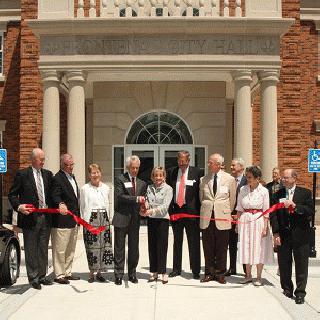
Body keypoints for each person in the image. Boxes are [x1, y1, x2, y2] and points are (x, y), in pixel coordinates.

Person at [8, 148, 53, 289]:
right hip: (29, 218)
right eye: (41, 159)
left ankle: (42, 275)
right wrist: (19, 206)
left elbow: (52, 194)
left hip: (45, 217)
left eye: (44, 159)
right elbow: (12, 195)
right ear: (33, 159)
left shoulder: (47, 174)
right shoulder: (22, 175)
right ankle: (33, 278)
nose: (43, 161)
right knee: (31, 248)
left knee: (43, 247)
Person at [270, 169, 313, 304]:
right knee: (284, 264)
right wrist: (275, 233)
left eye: (286, 177)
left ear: (294, 178)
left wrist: (295, 206)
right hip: (283, 235)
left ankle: (300, 292)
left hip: (300, 235)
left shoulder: (305, 193)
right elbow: (274, 215)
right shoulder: (278, 194)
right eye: (283, 178)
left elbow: (310, 211)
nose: (283, 180)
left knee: (301, 265)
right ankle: (287, 289)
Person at [199, 153, 236, 284]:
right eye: (209, 162)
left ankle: (220, 273)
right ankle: (209, 273)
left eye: (211, 162)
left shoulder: (229, 179)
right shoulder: (203, 179)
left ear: (219, 164)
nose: (208, 164)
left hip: (223, 216)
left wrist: (226, 211)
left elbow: (232, 200)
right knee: (208, 246)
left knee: (221, 246)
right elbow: (201, 197)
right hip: (207, 216)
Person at [236, 166, 274, 286]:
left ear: (258, 178)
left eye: (250, 177)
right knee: (246, 246)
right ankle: (248, 275)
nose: (248, 179)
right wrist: (237, 223)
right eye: (247, 177)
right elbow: (239, 208)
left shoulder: (264, 191)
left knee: (259, 247)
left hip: (259, 221)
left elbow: (266, 210)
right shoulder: (243, 189)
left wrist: (265, 227)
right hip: (245, 220)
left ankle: (258, 276)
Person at [112, 155, 147, 285]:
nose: (135, 170)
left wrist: (144, 206)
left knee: (134, 248)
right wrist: (137, 199)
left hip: (135, 220)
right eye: (132, 168)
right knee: (119, 248)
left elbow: (144, 200)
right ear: (127, 167)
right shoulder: (120, 179)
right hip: (121, 217)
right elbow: (120, 196)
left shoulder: (143, 183)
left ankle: (132, 273)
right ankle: (118, 274)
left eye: (137, 168)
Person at [166, 150, 201, 279]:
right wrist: (170, 211)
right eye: (179, 161)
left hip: (191, 212)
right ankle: (176, 269)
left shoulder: (196, 172)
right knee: (177, 241)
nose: (181, 163)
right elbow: (169, 191)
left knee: (194, 242)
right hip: (177, 211)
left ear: (188, 160)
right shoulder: (172, 172)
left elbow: (199, 194)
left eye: (184, 161)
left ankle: (196, 270)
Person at [80, 164, 114, 283]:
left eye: (97, 172)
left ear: (100, 173)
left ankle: (100, 272)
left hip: (103, 218)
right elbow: (83, 206)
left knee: (104, 247)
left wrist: (109, 218)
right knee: (92, 247)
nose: (95, 175)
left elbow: (108, 203)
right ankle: (91, 273)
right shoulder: (85, 188)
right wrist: (84, 221)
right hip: (91, 218)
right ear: (89, 175)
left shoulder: (106, 187)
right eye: (93, 173)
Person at [51, 154, 81, 284]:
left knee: (70, 248)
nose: (70, 167)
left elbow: (75, 198)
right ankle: (59, 274)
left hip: (73, 219)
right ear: (62, 165)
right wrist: (60, 203)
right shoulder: (57, 178)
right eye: (67, 165)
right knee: (60, 249)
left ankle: (67, 272)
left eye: (72, 164)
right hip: (62, 220)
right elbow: (55, 195)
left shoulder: (72, 177)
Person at [142, 167, 173, 284]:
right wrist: (144, 207)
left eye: (160, 175)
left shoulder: (168, 189)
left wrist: (151, 211)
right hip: (152, 220)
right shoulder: (149, 188)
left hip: (162, 220)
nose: (158, 178)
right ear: (152, 177)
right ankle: (154, 271)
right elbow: (147, 202)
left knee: (162, 247)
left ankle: (163, 272)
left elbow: (165, 207)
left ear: (164, 176)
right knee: (152, 246)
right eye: (156, 175)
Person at [225, 157, 247, 276]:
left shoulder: (247, 181)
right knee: (231, 243)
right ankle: (232, 267)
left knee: (244, 243)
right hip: (230, 217)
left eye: (234, 165)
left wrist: (240, 214)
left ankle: (246, 269)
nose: (231, 167)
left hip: (243, 217)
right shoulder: (229, 180)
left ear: (241, 167)